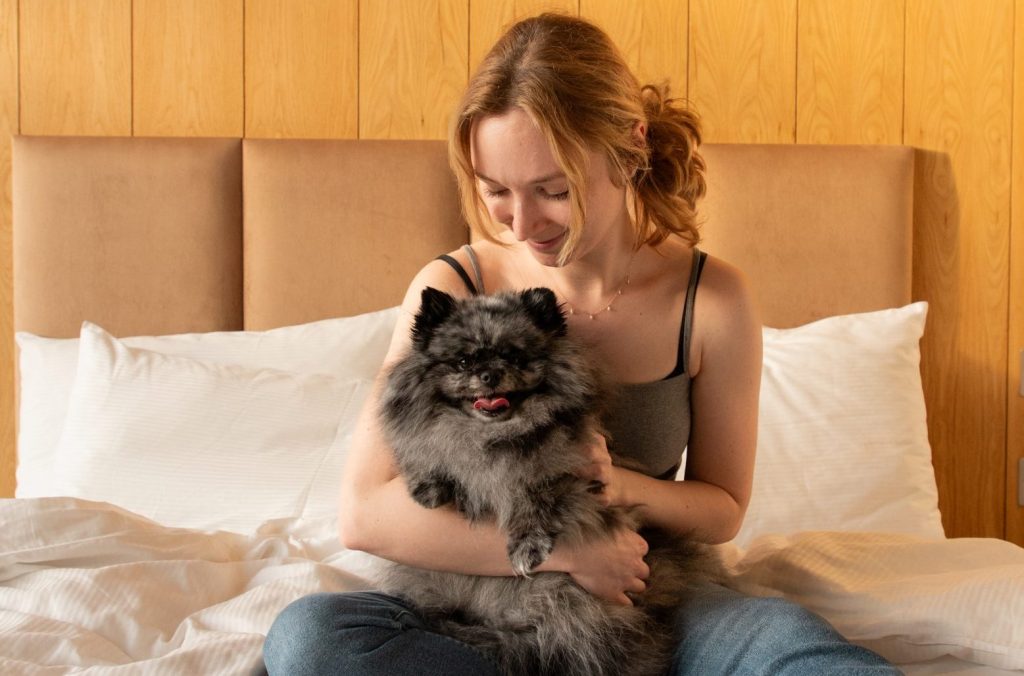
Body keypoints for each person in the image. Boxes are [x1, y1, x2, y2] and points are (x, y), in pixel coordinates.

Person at [264, 13, 900, 675]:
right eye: (496, 191)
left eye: (554, 190)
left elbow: (722, 509)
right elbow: (366, 513)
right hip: (467, 605)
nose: (522, 222)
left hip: (647, 594)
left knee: (795, 648)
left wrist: (610, 485)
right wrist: (564, 553)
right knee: (310, 639)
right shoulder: (453, 288)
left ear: (629, 147)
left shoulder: (711, 300)